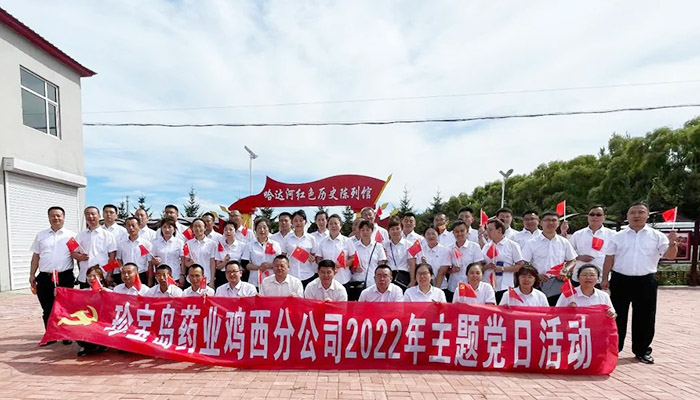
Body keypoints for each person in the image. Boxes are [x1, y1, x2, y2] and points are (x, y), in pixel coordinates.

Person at [602, 202, 678, 364]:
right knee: (616, 316)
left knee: (645, 316)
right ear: (627, 216)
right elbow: (609, 257)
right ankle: (614, 349)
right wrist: (604, 278)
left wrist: (672, 243)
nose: (636, 215)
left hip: (646, 280)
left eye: (641, 212)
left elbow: (670, 256)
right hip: (620, 279)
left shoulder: (657, 236)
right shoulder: (617, 236)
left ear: (647, 215)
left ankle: (642, 350)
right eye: (633, 212)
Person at [30, 206, 76, 343]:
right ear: (48, 217)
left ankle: (66, 335)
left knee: (65, 307)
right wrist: (32, 274)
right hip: (45, 276)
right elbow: (36, 256)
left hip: (64, 276)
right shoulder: (41, 235)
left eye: (58, 215)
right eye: (53, 216)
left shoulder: (72, 235)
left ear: (64, 217)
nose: (56, 218)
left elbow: (76, 255)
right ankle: (51, 335)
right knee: (47, 307)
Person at [521, 211, 577, 305]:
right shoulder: (532, 242)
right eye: (547, 220)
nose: (550, 223)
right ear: (541, 222)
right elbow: (524, 263)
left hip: (557, 283)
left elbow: (572, 260)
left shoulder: (564, 242)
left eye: (554, 220)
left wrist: (565, 270)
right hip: (538, 283)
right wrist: (536, 275)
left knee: (557, 310)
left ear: (558, 223)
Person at [566, 206, 615, 286]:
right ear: (588, 216)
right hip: (579, 277)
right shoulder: (578, 234)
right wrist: (580, 257)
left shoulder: (612, 235)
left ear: (604, 217)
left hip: (601, 278)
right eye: (592, 214)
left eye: (598, 215)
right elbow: (568, 254)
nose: (595, 217)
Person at [312, 214, 357, 298]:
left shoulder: (347, 241)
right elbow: (318, 258)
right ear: (328, 226)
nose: (333, 226)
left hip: (343, 278)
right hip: (326, 279)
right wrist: (325, 266)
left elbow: (353, 258)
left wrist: (341, 264)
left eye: (336, 223)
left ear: (340, 225)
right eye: (331, 224)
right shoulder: (323, 242)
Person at [482, 219, 525, 303]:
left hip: (505, 286)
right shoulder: (487, 246)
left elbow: (520, 266)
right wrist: (487, 266)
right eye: (487, 230)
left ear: (499, 230)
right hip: (488, 286)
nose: (487, 232)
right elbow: (480, 265)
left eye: (490, 230)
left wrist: (502, 269)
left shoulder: (512, 245)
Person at [74, 206, 117, 288]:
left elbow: (112, 258)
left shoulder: (108, 235)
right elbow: (74, 253)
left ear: (99, 216)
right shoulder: (80, 235)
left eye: (93, 214)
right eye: (87, 214)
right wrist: (77, 256)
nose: (90, 216)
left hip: (102, 276)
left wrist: (109, 275)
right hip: (85, 276)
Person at [445, 220, 484, 302]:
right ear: (453, 233)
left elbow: (479, 267)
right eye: (456, 231)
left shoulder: (474, 247)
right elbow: (445, 269)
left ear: (467, 231)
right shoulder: (449, 248)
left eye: (462, 231)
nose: (459, 234)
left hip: (471, 287)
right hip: (453, 286)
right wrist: (452, 270)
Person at [77, 266, 110, 356]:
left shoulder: (107, 291)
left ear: (101, 278)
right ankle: (86, 346)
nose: (91, 278)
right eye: (89, 276)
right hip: (88, 319)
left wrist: (106, 293)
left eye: (94, 276)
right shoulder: (83, 292)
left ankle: (102, 344)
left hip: (104, 320)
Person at [241, 217, 282, 289]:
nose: (262, 230)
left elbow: (280, 262)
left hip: (272, 280)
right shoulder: (249, 245)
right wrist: (259, 268)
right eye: (259, 228)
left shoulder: (275, 244)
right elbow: (244, 263)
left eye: (264, 227)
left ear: (268, 229)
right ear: (255, 230)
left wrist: (270, 265)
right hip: (255, 281)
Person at [351, 220, 388, 293]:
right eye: (363, 230)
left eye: (367, 230)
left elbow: (381, 265)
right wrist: (354, 269)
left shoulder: (378, 246)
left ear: (372, 231)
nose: (365, 232)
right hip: (358, 282)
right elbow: (350, 264)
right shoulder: (353, 246)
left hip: (374, 283)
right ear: (359, 231)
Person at [284, 210, 317, 288]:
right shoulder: (287, 238)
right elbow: (283, 256)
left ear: (305, 222)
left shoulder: (311, 238)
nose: (298, 223)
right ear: (292, 223)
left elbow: (314, 255)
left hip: (308, 275)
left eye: (301, 220)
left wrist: (313, 258)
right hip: (292, 275)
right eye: (295, 221)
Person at [117, 217, 153, 286]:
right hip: (126, 276)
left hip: (141, 275)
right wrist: (121, 268)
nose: (131, 228)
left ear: (139, 226)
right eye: (128, 226)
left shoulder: (146, 244)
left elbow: (150, 263)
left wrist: (150, 280)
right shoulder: (121, 244)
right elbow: (119, 259)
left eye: (133, 225)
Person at [414, 226, 451, 292]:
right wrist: (423, 264)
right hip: (424, 287)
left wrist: (436, 290)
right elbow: (418, 269)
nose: (431, 236)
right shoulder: (421, 250)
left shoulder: (445, 251)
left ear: (438, 235)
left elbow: (442, 272)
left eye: (433, 234)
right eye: (428, 234)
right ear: (424, 236)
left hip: (441, 286)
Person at [182, 218, 217, 287]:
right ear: (192, 228)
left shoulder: (212, 244)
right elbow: (186, 262)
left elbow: (213, 263)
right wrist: (190, 263)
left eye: (200, 226)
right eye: (195, 226)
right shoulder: (188, 244)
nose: (197, 229)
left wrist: (212, 280)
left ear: (205, 228)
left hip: (206, 278)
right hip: (192, 279)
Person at [150, 217, 185, 287]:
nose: (167, 230)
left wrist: (182, 275)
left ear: (174, 229)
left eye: (169, 227)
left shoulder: (179, 242)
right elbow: (152, 260)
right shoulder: (155, 243)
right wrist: (155, 261)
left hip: (175, 275)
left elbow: (183, 260)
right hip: (160, 277)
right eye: (164, 227)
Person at [384, 217, 416, 291]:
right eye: (392, 229)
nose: (395, 231)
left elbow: (412, 264)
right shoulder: (385, 245)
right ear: (389, 231)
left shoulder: (409, 245)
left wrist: (412, 280)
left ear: (402, 229)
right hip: (389, 276)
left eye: (397, 228)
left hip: (404, 276)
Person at [213, 221, 245, 288]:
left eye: (230, 229)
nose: (228, 231)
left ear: (235, 231)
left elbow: (244, 264)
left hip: (237, 275)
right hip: (223, 275)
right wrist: (225, 262)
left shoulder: (242, 246)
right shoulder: (219, 245)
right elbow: (218, 266)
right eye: (225, 230)